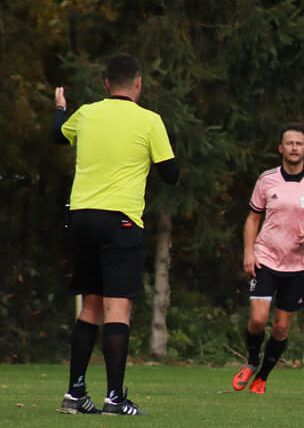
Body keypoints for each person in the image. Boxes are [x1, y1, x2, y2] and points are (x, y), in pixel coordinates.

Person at [53, 53, 178, 416]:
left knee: (90, 306)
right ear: (138, 84)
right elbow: (171, 175)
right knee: (117, 308)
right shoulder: (149, 120)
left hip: (81, 218)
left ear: (106, 84)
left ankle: (75, 394)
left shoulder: (87, 113)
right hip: (120, 220)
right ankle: (114, 398)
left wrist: (60, 108)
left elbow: (57, 135)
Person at [231, 123, 304, 395]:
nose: (294, 148)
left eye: (299, 143)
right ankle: (251, 361)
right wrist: (249, 252)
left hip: (298, 265)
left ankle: (262, 376)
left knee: (281, 327)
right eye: (289, 143)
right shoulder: (267, 179)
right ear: (281, 148)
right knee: (259, 320)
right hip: (266, 258)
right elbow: (253, 218)